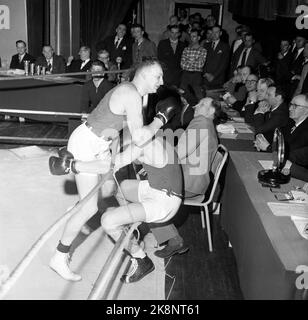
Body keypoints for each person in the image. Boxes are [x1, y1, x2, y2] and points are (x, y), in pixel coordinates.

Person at [48, 59, 177, 281]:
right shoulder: (131, 93)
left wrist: (113, 153)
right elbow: (138, 138)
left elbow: (118, 128)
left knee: (109, 187)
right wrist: (160, 120)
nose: (162, 82)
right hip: (87, 142)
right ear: (144, 75)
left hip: (101, 143)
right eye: (158, 76)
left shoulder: (136, 94)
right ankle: (59, 256)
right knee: (89, 210)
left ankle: (80, 200)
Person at [152, 97, 221, 258]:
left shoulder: (201, 122)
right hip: (197, 181)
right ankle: (168, 235)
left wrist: (152, 154)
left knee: (148, 189)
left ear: (211, 111)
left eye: (202, 104)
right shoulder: (209, 125)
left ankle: (173, 240)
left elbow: (178, 153)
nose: (196, 105)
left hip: (188, 182)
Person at [254, 94, 308, 182]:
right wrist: (261, 139)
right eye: (291, 104)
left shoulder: (306, 130)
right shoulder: (290, 122)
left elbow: (290, 155)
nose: (290, 108)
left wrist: (268, 147)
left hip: (297, 178)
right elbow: (275, 138)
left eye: (295, 106)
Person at [180, 29, 207, 101]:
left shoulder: (203, 50)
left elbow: (200, 65)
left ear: (199, 38)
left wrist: (188, 61)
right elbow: (182, 65)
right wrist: (195, 61)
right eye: (191, 36)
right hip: (185, 75)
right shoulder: (186, 49)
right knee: (182, 94)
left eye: (194, 36)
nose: (192, 38)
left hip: (196, 75)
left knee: (198, 95)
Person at [203, 25, 230, 90]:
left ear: (220, 33)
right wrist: (205, 73)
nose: (214, 34)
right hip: (205, 79)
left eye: (216, 32)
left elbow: (224, 64)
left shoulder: (225, 46)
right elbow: (202, 61)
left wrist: (213, 76)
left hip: (218, 79)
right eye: (213, 32)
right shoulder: (206, 45)